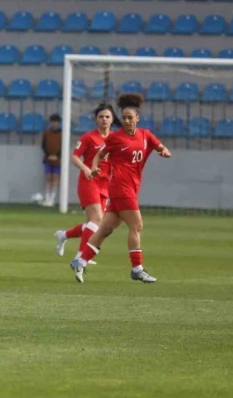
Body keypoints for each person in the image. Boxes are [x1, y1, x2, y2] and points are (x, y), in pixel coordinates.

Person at [71, 94, 172, 284]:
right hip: (120, 187)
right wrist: (93, 169)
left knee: (105, 229)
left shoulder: (145, 135)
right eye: (123, 118)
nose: (126, 121)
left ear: (137, 118)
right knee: (137, 225)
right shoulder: (116, 138)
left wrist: (163, 151)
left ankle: (80, 261)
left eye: (129, 117)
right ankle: (137, 269)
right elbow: (99, 156)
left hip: (132, 188)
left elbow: (159, 146)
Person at [55, 104, 117, 261]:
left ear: (112, 119)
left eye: (107, 116)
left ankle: (64, 235)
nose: (104, 119)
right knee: (97, 219)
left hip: (105, 184)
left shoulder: (116, 140)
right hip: (89, 181)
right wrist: (85, 169)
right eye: (101, 116)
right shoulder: (88, 137)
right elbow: (74, 156)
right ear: (96, 119)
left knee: (94, 223)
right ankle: (81, 256)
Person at [40, 114, 62, 207]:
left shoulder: (62, 134)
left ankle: (53, 198)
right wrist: (49, 155)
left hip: (58, 159)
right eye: (53, 122)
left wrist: (57, 155)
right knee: (48, 177)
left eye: (56, 122)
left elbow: (63, 146)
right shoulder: (47, 133)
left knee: (55, 177)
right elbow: (43, 145)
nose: (54, 124)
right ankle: (47, 197)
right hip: (48, 158)